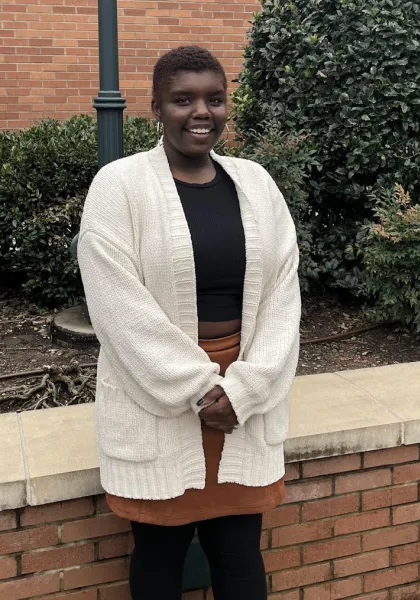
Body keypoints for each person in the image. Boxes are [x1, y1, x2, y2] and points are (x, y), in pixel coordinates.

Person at [78, 45, 301, 600]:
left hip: (246, 391)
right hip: (158, 392)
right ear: (155, 108)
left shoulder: (256, 184)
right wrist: (201, 390)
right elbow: (117, 305)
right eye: (183, 100)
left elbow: (283, 293)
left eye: (215, 99)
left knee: (240, 549)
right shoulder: (119, 185)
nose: (201, 112)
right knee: (159, 552)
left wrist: (244, 391)